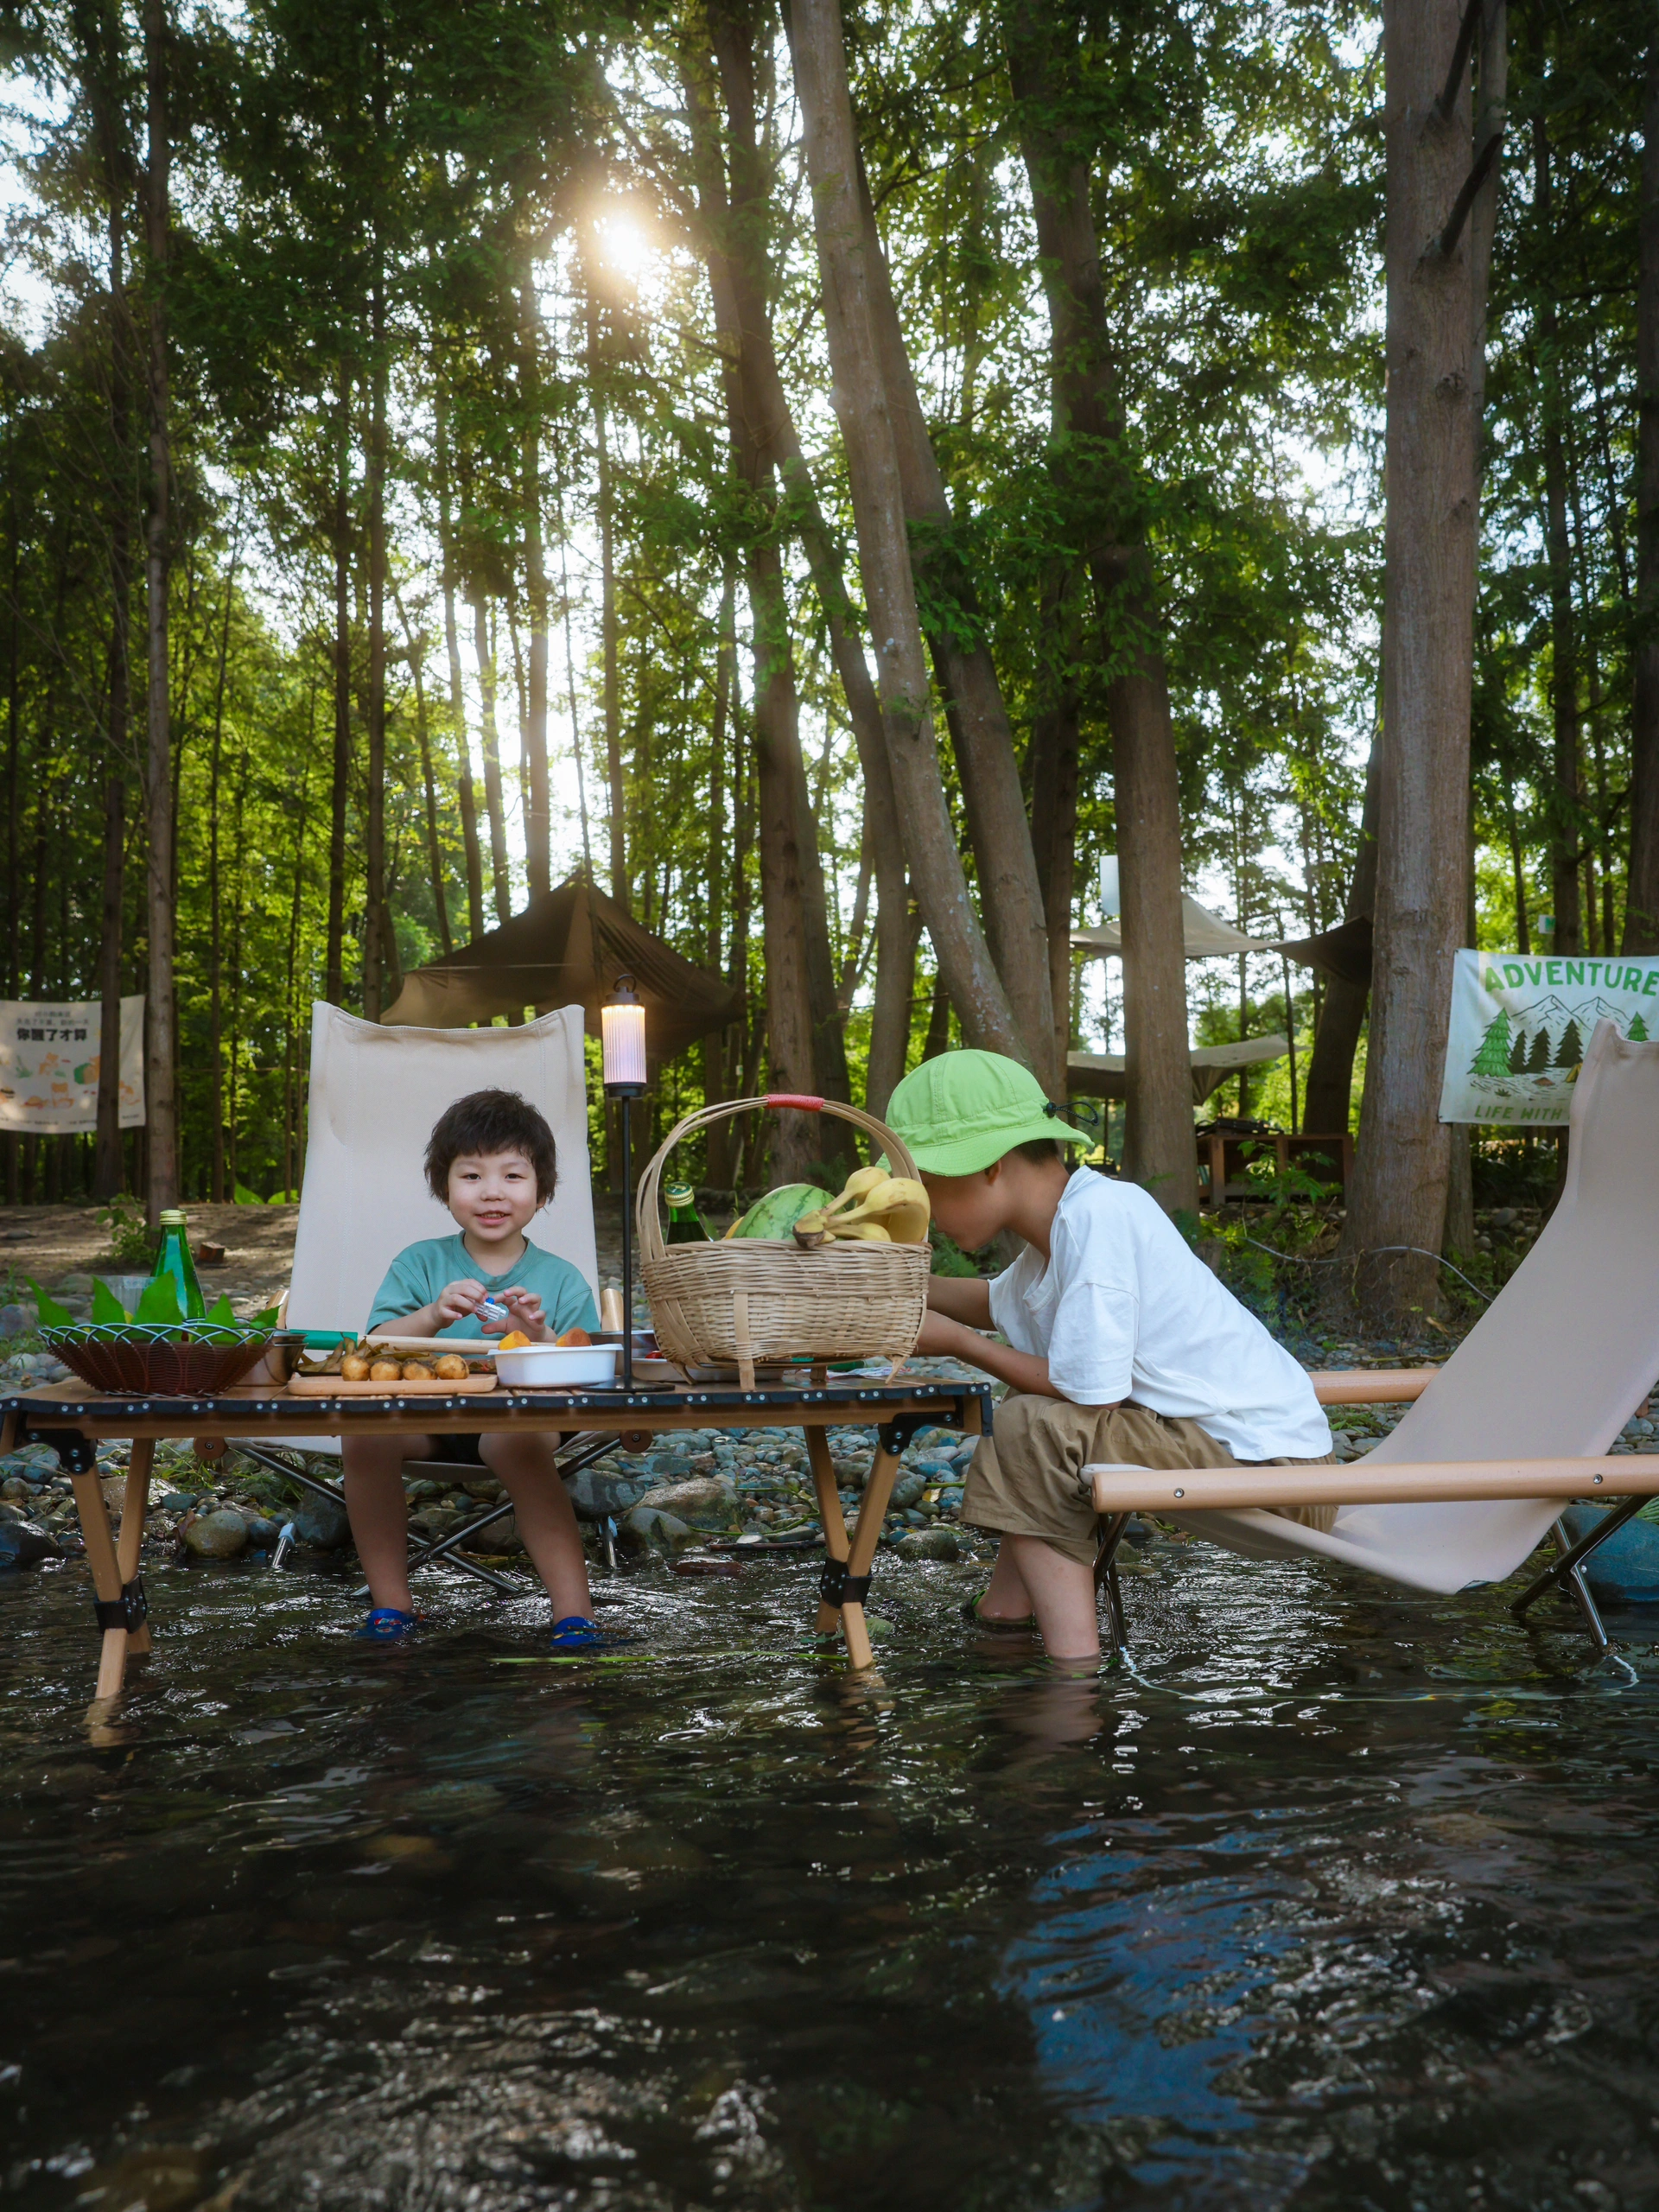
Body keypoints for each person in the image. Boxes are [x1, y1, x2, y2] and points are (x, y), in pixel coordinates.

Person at [885, 1050, 1333, 1667]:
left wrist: (960, 1344)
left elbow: (1091, 1395)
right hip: (1235, 1452)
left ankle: (1076, 1672)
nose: (924, 1210)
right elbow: (990, 1301)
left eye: (929, 1186)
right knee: (1036, 1413)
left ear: (988, 1166)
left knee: (1031, 1424)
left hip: (1282, 1476)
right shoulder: (1065, 1228)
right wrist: (880, 1279)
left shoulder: (1098, 1216)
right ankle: (1006, 1615)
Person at [342, 1087, 607, 1649]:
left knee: (511, 1442)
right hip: (429, 1423)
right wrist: (435, 1314)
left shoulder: (560, 1279)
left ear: (543, 1191)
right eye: (471, 1176)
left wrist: (538, 1336)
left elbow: (586, 1369)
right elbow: (372, 1347)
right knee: (363, 1437)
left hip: (522, 1424)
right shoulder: (419, 1263)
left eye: (513, 1176)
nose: (492, 1193)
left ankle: (574, 1616)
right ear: (444, 1187)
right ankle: (392, 1609)